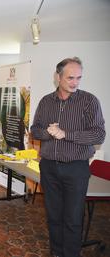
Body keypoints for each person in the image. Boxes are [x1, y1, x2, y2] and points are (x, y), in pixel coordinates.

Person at [31, 57, 106, 257]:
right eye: (70, 78)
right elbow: (35, 130)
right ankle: (56, 253)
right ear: (58, 77)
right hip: (48, 167)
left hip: (76, 168)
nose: (75, 83)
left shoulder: (89, 101)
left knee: (72, 218)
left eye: (79, 78)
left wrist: (66, 134)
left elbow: (99, 135)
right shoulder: (46, 101)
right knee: (54, 216)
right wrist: (49, 132)